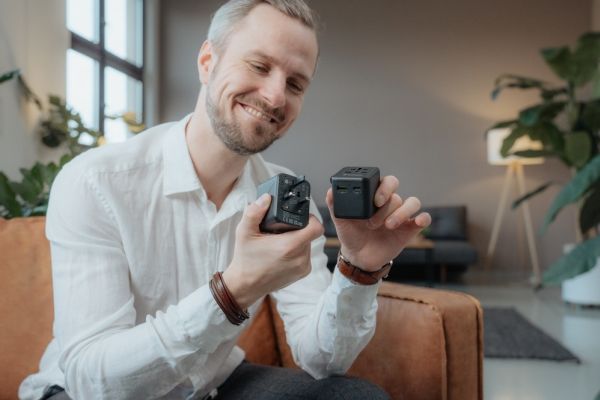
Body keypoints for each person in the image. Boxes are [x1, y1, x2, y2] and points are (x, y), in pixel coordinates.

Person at [20, 1, 431, 399]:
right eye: (259, 66)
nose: (275, 97)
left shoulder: (288, 200)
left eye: (295, 84)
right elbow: (95, 384)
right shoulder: (95, 182)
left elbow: (321, 360)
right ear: (207, 61)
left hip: (212, 384)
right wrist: (230, 293)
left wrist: (359, 269)